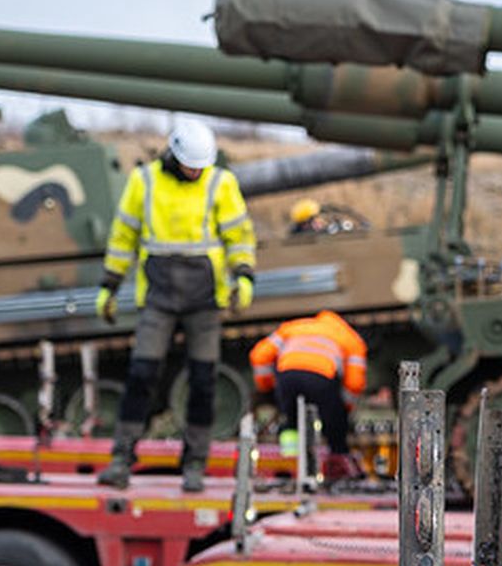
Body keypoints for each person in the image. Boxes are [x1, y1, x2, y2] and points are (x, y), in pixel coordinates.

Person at [94, 119, 256, 491]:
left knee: (203, 382)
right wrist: (110, 285)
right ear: (174, 156)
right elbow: (123, 236)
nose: (197, 172)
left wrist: (243, 275)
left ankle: (195, 463)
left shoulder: (220, 182)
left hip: (204, 299)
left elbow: (239, 234)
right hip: (159, 296)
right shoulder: (145, 181)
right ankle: (121, 458)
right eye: (191, 166)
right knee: (141, 376)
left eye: (202, 166)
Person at [249, 311, 367, 481]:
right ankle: (338, 462)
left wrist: (268, 389)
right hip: (322, 378)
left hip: (287, 376)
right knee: (334, 426)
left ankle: (291, 466)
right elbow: (355, 383)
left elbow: (259, 355)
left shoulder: (295, 326)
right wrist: (343, 409)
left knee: (291, 420)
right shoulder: (350, 338)